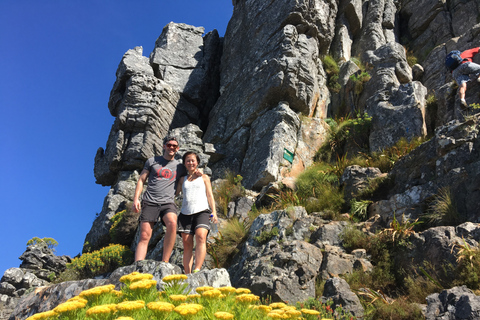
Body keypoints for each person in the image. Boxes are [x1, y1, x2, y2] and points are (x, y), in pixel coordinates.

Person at [132, 136, 186, 263]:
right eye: (169, 145)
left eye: (174, 146)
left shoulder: (180, 167)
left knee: (172, 223)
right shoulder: (152, 161)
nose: (171, 147)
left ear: (177, 149)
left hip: (168, 202)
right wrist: (136, 199)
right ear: (164, 146)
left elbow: (183, 182)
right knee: (145, 235)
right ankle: (137, 267)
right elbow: (141, 180)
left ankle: (165, 262)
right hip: (150, 201)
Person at [176, 151, 218, 274]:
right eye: (188, 160)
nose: (190, 163)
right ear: (184, 163)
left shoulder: (204, 177)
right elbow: (175, 193)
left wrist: (214, 211)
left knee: (201, 236)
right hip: (185, 213)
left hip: (202, 211)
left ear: (197, 162)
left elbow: (210, 195)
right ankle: (188, 273)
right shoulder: (182, 179)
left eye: (193, 160)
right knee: (187, 244)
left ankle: (197, 269)